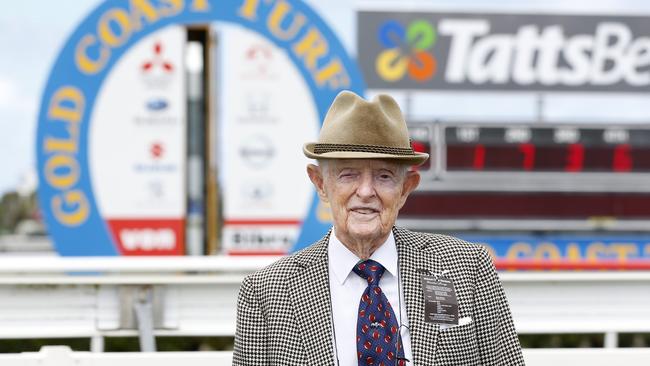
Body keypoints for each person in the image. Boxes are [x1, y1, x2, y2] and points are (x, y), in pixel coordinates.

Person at [233, 91, 524, 365]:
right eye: (348, 175)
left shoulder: (467, 269)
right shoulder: (266, 293)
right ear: (320, 184)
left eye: (384, 176)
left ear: (406, 188)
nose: (365, 191)